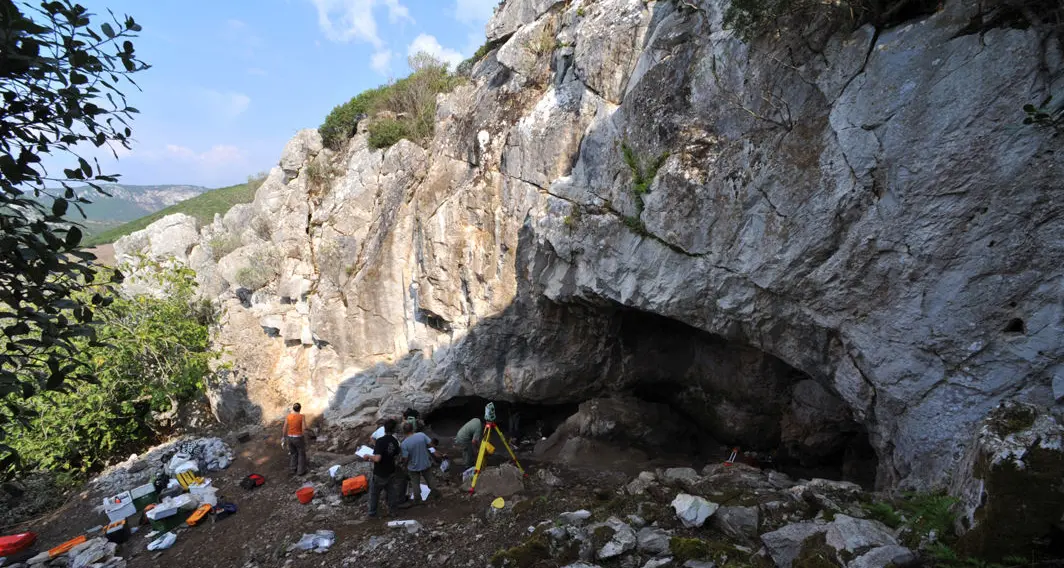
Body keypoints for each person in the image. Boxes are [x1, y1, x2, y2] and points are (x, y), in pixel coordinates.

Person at [361, 418, 403, 518]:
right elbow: (396, 455)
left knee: (374, 493)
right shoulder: (395, 441)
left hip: (380, 472)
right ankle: (393, 511)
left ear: (384, 428)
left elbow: (378, 458)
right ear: (394, 430)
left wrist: (368, 456)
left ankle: (372, 513)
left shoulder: (380, 441)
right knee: (391, 492)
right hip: (391, 470)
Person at [400, 422, 438, 504]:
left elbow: (405, 458)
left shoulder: (404, 444)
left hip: (413, 466)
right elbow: (431, 444)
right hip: (425, 462)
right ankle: (436, 494)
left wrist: (404, 465)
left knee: (415, 483)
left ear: (404, 431)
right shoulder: (421, 435)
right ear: (412, 428)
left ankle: (417, 499)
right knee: (430, 479)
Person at [281, 403, 307, 476]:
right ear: (300, 409)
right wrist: (308, 431)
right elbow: (304, 428)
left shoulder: (288, 416)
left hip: (289, 437)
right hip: (298, 437)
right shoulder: (302, 416)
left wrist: (283, 437)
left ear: (293, 408)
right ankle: (300, 471)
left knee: (293, 453)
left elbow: (284, 428)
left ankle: (293, 468)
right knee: (301, 453)